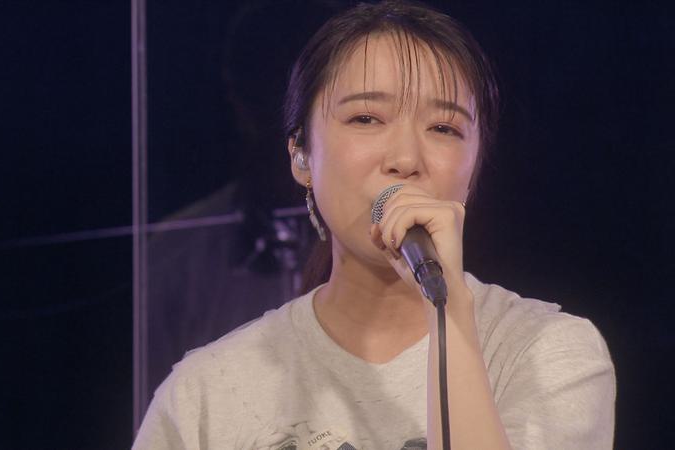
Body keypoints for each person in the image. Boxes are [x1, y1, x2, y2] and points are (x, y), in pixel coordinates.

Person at [134, 1, 615, 449]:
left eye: (443, 128)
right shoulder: (206, 393)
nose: (405, 159)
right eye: (366, 118)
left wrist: (449, 313)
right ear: (301, 155)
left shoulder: (546, 354)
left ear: (474, 167)